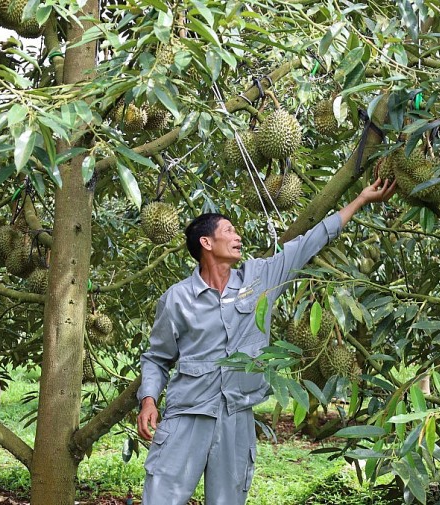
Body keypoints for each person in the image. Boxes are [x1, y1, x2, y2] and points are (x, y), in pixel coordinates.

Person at [137, 177, 397, 504]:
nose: (238, 236)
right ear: (206, 243)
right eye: (229, 231)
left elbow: (309, 241)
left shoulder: (260, 278)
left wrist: (360, 200)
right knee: (161, 497)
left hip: (237, 417)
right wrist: (148, 399)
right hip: (187, 414)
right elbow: (157, 358)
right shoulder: (177, 299)